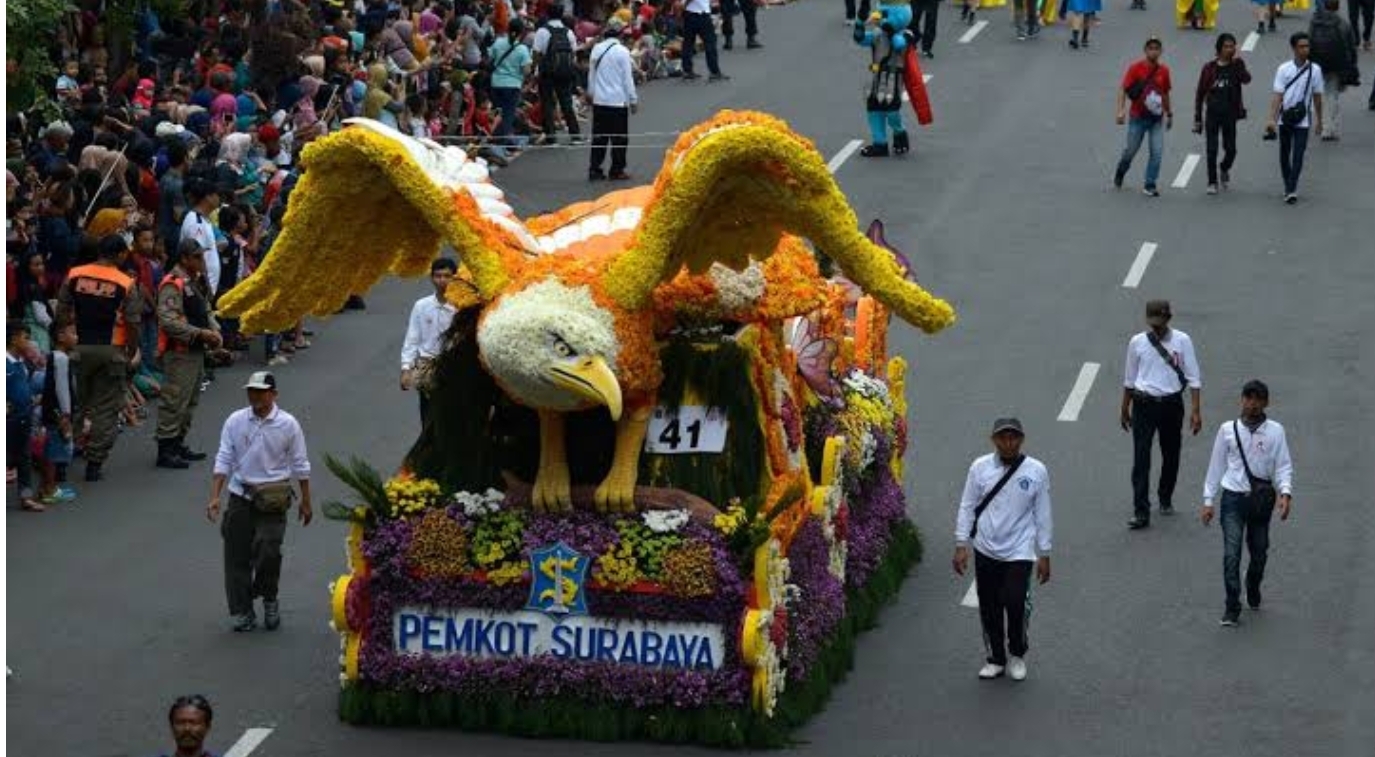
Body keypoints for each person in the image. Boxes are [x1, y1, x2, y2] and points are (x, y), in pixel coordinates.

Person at [208, 371, 313, 632]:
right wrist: (215, 496)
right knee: (235, 556)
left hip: (273, 499)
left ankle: (268, 598)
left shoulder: (288, 424)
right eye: (251, 391)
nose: (254, 396)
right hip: (240, 496)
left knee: (269, 551)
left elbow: (301, 465)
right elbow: (223, 458)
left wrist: (306, 501)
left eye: (261, 391)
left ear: (273, 394)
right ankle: (243, 610)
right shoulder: (235, 421)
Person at [952, 418, 1052, 682]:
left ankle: (1017, 654)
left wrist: (1044, 553)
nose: (1008, 442)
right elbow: (967, 505)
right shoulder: (979, 468)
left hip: (1019, 550)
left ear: (1021, 439)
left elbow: (1043, 513)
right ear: (994, 440)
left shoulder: (1036, 471)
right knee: (990, 606)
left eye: (1013, 437)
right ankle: (996, 658)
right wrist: (962, 544)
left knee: (1015, 601)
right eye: (1003, 437)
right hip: (986, 548)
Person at [1201, 380, 1294, 627]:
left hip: (1261, 502)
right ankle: (1232, 606)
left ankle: (1253, 584)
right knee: (1231, 554)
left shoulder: (1276, 431)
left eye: (1257, 399)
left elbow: (1284, 465)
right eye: (1248, 398)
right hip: (1232, 499)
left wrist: (1285, 494)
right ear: (1241, 400)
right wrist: (1208, 500)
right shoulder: (1227, 430)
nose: (1252, 404)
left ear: (1266, 403)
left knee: (1260, 552)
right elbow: (1216, 466)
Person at [55, 234, 143, 482]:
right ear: (121, 254)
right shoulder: (125, 282)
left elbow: (62, 310)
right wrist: (130, 350)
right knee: (105, 409)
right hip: (111, 351)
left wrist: (66, 340)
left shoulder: (75, 274)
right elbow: (133, 321)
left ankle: (61, 460)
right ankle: (94, 463)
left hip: (78, 347)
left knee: (74, 403)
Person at [1120, 299, 1202, 530]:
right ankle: (1141, 511)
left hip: (1171, 405)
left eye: (1161, 322)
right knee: (1141, 459)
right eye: (1153, 322)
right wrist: (1124, 407)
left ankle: (1165, 496)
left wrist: (1196, 411)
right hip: (1143, 405)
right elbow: (1129, 378)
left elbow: (1194, 378)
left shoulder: (1182, 341)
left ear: (1169, 318)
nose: (1157, 327)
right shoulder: (1136, 342)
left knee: (1171, 454)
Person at [155, 240, 224, 470]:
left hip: (195, 351)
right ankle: (165, 449)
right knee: (174, 401)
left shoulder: (194, 282)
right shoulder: (172, 283)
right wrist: (201, 333)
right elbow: (168, 321)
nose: (201, 261)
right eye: (197, 257)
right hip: (179, 353)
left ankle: (178, 443)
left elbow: (204, 309)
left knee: (190, 402)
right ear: (184, 258)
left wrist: (214, 331)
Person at [1265, 33, 1325, 204]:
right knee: (1285, 153)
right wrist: (1271, 119)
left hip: (1303, 120)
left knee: (1298, 155)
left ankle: (1291, 188)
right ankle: (1288, 184)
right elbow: (1278, 95)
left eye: (1307, 46)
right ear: (1293, 48)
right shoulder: (1284, 69)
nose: (1305, 50)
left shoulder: (1316, 70)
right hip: (1285, 118)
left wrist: (1320, 121)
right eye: (1301, 46)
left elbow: (1318, 97)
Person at [401, 258, 458, 425]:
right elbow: (412, 338)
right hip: (427, 366)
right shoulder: (421, 306)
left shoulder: (461, 307)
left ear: (455, 278)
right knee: (428, 414)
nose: (442, 280)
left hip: (454, 366)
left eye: (447, 276)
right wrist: (406, 369)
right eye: (438, 276)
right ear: (431, 278)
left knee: (452, 414)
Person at [1114, 37, 1173, 197]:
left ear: (1161, 51)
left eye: (1156, 48)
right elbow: (1123, 89)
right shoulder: (1135, 68)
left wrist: (1169, 113)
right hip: (1137, 118)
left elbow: (1165, 93)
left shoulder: (1164, 71)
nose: (1153, 51)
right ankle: (1121, 170)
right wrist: (1120, 111)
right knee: (1131, 151)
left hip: (1156, 120)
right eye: (1150, 48)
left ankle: (1150, 183)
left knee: (1157, 152)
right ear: (1145, 50)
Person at [1193, 33, 1251, 194]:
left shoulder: (1236, 65)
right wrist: (1197, 118)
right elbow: (1200, 93)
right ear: (1219, 49)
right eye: (1226, 46)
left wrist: (1239, 62)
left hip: (1230, 115)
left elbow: (1247, 79)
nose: (1229, 49)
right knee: (1212, 149)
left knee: (1231, 149)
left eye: (1232, 46)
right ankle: (1211, 182)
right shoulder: (1209, 68)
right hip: (1212, 114)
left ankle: (1224, 167)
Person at [586, 19, 638, 182]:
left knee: (599, 137)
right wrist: (633, 99)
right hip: (617, 101)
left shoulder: (596, 49)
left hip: (600, 101)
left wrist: (591, 93)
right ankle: (616, 170)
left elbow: (591, 75)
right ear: (620, 35)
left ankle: (595, 169)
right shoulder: (623, 51)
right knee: (619, 138)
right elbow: (627, 79)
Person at [38, 320, 79, 505]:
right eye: (72, 332)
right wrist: (66, 413)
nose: (76, 337)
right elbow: (62, 387)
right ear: (60, 336)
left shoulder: (54, 356)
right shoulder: (61, 358)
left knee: (51, 450)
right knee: (53, 452)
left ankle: (46, 487)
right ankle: (50, 490)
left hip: (51, 409)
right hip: (57, 411)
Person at [532, 5, 583, 146]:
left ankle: (551, 137)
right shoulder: (568, 32)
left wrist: (534, 69)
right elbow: (573, 53)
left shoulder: (542, 31)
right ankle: (575, 135)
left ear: (547, 14)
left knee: (547, 103)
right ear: (561, 15)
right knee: (566, 102)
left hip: (547, 72)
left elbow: (536, 53)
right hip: (564, 71)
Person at [1308, 0, 1358, 141]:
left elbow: (1308, 40)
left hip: (1318, 62)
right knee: (1332, 94)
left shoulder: (1315, 21)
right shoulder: (1343, 23)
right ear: (1338, 6)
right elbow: (1351, 46)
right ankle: (1329, 128)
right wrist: (1352, 65)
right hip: (1336, 64)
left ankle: (1324, 124)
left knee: (1320, 92)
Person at [7, 322, 43, 511]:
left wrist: (32, 399)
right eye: (25, 337)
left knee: (24, 459)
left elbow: (23, 387)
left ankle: (26, 496)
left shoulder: (21, 364)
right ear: (13, 339)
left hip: (24, 417)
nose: (28, 342)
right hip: (8, 421)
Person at [488, 18, 534, 150]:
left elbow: (490, 58)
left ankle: (496, 138)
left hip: (496, 84)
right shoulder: (522, 49)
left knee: (498, 113)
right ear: (521, 32)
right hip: (513, 85)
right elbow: (526, 70)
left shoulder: (498, 43)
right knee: (508, 114)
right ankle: (502, 144)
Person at [680, 0, 729, 81]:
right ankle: (714, 71)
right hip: (700, 14)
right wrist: (684, 4)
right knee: (710, 42)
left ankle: (687, 70)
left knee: (688, 43)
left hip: (691, 13)